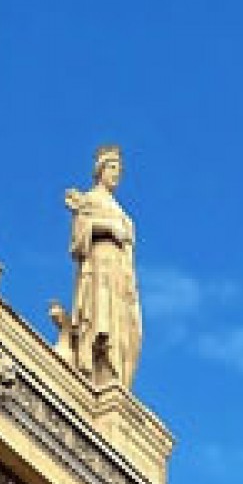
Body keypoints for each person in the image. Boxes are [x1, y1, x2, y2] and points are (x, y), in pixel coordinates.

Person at [59, 145, 144, 390]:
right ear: (101, 169)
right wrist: (107, 228)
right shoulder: (90, 200)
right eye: (113, 168)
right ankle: (98, 370)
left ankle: (115, 377)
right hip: (99, 268)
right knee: (100, 321)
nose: (117, 174)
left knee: (127, 332)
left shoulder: (122, 212)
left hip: (121, 276)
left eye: (120, 170)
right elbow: (78, 240)